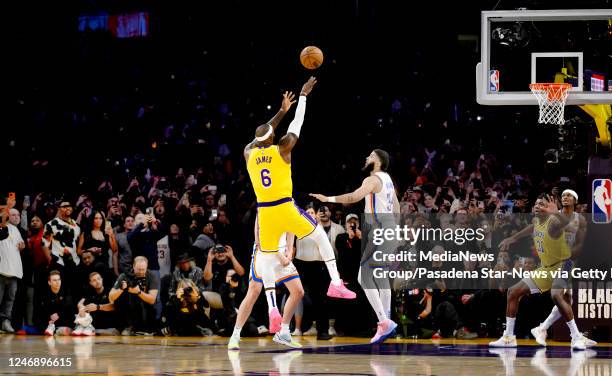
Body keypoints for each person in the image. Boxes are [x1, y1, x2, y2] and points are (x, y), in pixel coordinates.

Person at [243, 78, 355, 330]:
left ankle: (272, 308)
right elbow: (297, 124)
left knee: (268, 257)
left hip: (265, 212)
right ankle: (336, 282)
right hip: (285, 206)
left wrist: (281, 111)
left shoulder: (249, 153)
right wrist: (301, 98)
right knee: (319, 236)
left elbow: (261, 134)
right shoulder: (283, 149)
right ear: (273, 138)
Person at [310, 149, 399, 344]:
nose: (366, 157)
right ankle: (387, 320)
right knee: (381, 277)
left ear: (377, 161)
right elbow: (397, 207)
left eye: (370, 156)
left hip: (379, 232)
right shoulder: (388, 179)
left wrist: (328, 199)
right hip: (389, 231)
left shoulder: (373, 179)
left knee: (363, 276)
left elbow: (353, 197)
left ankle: (383, 322)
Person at [490, 193, 594, 350]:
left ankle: (576, 337)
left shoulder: (554, 222)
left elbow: (564, 222)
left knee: (557, 295)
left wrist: (555, 212)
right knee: (513, 292)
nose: (538, 206)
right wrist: (513, 238)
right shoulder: (537, 220)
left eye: (542, 204)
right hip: (546, 267)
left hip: (563, 265)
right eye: (536, 204)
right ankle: (509, 337)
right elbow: (531, 228)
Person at [228, 230, 304, 350]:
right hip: (263, 253)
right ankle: (235, 335)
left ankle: (284, 332)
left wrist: (289, 252)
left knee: (298, 291)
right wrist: (280, 256)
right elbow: (260, 241)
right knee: (253, 293)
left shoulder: (289, 210)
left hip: (281, 251)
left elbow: (290, 230)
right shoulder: (263, 211)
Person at [108, 256, 159, 335]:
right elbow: (111, 297)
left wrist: (138, 292)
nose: (141, 272)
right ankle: (126, 326)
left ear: (147, 267)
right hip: (128, 307)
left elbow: (152, 300)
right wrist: (121, 289)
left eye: (143, 269)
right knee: (121, 296)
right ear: (133, 266)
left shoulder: (151, 276)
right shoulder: (124, 276)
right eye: (138, 269)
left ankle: (143, 327)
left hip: (146, 309)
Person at [0, 198, 25, 333]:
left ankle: (5, 322)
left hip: (14, 270)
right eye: (13, 214)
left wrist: (22, 246)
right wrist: (7, 208)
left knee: (10, 299)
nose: (16, 217)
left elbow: (21, 244)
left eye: (18, 215)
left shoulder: (16, 230)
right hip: (1, 269)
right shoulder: (2, 225)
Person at [74, 271, 118, 336]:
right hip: (96, 325)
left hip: (109, 326)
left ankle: (90, 330)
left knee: (112, 332)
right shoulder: (89, 293)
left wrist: (97, 307)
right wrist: (82, 308)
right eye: (94, 280)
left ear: (102, 279)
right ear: (90, 283)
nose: (97, 281)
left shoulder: (110, 291)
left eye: (99, 279)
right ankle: (83, 328)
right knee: (82, 310)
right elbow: (80, 304)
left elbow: (113, 306)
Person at [37, 270, 74, 336]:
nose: (57, 282)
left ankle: (57, 330)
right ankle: (53, 329)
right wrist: (50, 316)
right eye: (54, 280)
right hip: (50, 322)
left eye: (59, 280)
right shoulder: (45, 295)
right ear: (49, 282)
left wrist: (59, 314)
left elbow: (69, 309)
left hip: (64, 321)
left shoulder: (66, 293)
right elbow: (42, 311)